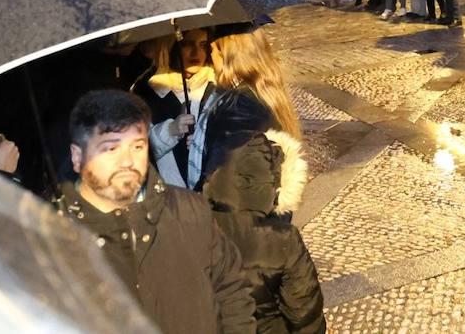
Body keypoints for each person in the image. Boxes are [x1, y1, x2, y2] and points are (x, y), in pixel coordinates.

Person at [59, 90, 257, 333]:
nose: (127, 161)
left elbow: (232, 290)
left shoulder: (189, 210)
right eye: (111, 149)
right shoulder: (49, 237)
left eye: (137, 146)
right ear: (77, 157)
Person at [198, 26, 326, 333]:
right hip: (270, 237)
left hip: (248, 265)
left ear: (231, 57)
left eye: (213, 50)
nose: (207, 57)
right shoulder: (263, 94)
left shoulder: (236, 110)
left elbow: (234, 193)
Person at [140, 29, 216, 189]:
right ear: (170, 47)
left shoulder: (218, 87)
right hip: (172, 197)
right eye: (187, 44)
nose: (197, 52)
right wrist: (170, 130)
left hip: (212, 192)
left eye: (202, 45)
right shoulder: (146, 92)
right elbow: (140, 149)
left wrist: (204, 141)